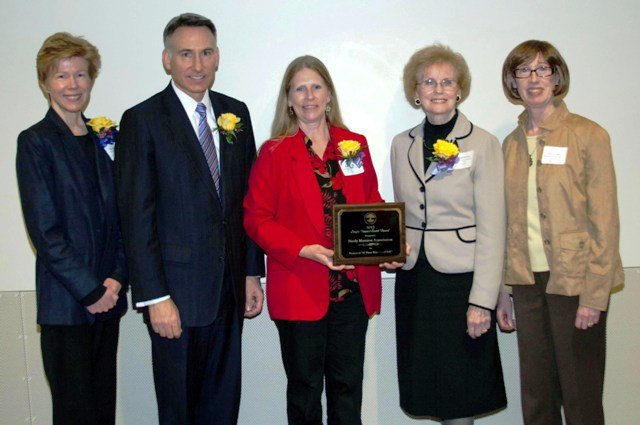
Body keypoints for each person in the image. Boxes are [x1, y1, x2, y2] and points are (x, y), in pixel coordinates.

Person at [115, 13, 264, 425]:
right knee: (179, 408)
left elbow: (246, 202)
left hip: (229, 290)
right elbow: (135, 218)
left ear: (217, 58)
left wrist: (252, 273)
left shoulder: (236, 113)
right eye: (186, 54)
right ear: (167, 60)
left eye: (205, 53)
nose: (197, 65)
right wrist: (155, 298)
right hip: (174, 298)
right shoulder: (142, 120)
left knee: (222, 406)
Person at [244, 55, 401, 424]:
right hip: (300, 288)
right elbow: (255, 218)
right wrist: (303, 249)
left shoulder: (354, 145)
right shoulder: (274, 152)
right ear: (288, 99)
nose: (309, 95)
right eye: (300, 88)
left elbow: (372, 205)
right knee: (305, 392)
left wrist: (391, 246)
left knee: (348, 391)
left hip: (351, 291)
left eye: (316, 86)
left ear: (329, 94)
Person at [496, 39, 624, 425]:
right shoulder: (510, 145)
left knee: (581, 395)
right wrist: (504, 289)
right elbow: (507, 222)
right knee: (537, 395)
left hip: (575, 282)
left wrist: (594, 295)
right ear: (512, 82)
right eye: (523, 70)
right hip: (526, 281)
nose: (533, 78)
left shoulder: (588, 135)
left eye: (542, 69)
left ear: (556, 76)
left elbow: (605, 221)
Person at [390, 44, 507, 424]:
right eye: (429, 82)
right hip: (415, 280)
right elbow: (402, 214)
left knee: (461, 388)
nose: (438, 89)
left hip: (462, 283)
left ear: (460, 89)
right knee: (429, 384)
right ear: (416, 91)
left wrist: (482, 301)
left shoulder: (483, 143)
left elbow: (493, 228)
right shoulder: (400, 144)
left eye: (447, 81)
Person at [15, 32, 127, 425]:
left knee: (102, 412)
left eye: (81, 75)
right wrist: (91, 289)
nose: (73, 85)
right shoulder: (35, 143)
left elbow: (121, 220)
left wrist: (115, 279)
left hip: (107, 304)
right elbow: (44, 232)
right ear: (45, 82)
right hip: (68, 306)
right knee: (75, 414)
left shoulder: (104, 138)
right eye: (61, 76)